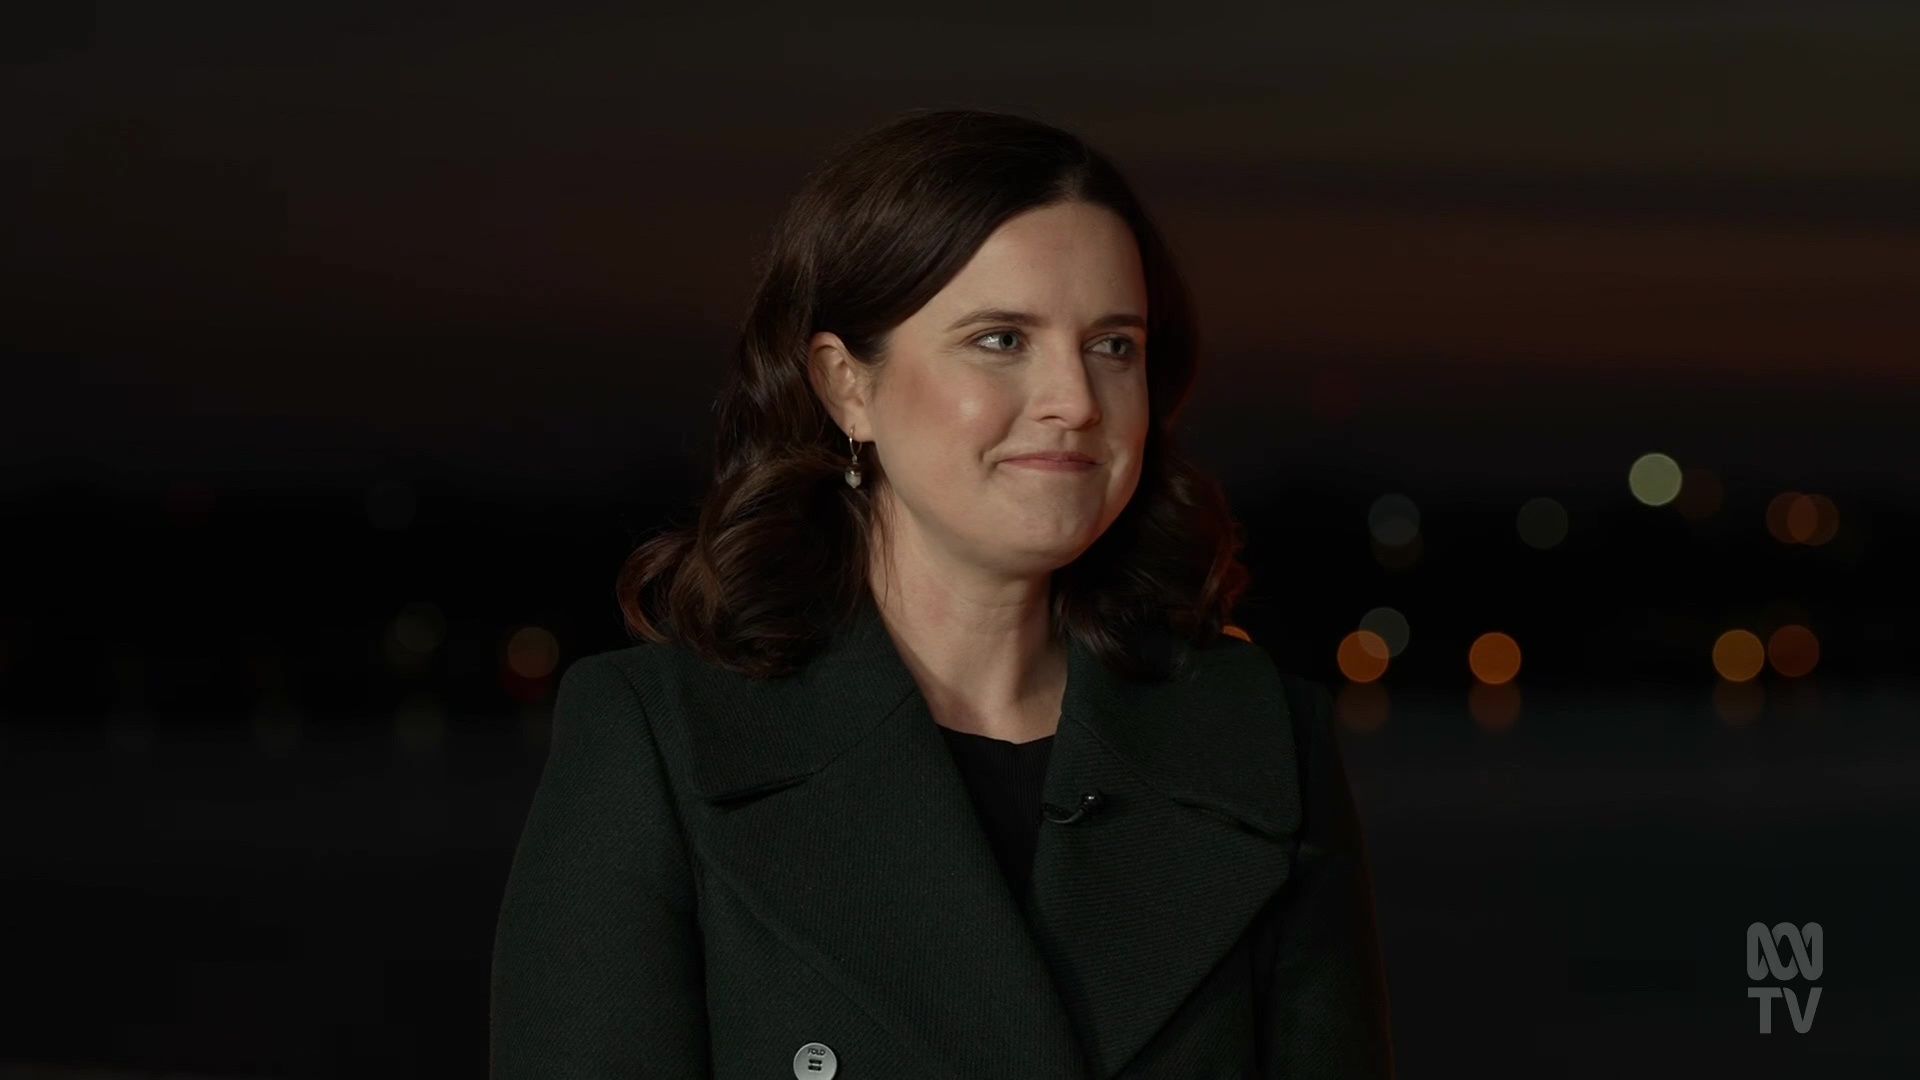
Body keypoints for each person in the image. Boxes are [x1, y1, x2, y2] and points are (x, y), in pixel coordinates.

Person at [489, 107, 1394, 1079]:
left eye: (1113, 346)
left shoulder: (1260, 739)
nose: (1076, 400)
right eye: (1001, 339)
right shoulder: (662, 744)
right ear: (847, 386)